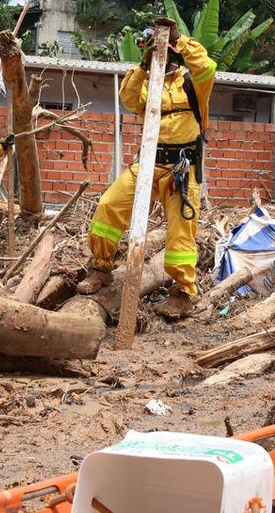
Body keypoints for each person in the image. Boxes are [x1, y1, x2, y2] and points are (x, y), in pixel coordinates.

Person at [77, 20, 216, 316]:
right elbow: (127, 96)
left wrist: (180, 40)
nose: (157, 59)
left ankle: (183, 293)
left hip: (182, 166)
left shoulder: (193, 83)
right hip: (149, 163)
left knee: (180, 233)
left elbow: (207, 67)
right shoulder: (147, 84)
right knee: (109, 206)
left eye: (160, 54)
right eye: (152, 55)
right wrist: (142, 67)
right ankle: (101, 268)